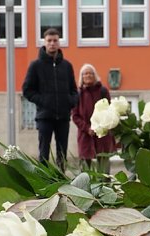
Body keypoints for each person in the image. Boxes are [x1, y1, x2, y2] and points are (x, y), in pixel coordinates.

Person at [22, 27, 78, 170]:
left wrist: (70, 102)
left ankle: (62, 181)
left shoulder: (66, 66)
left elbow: (74, 90)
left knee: (62, 153)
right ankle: (44, 182)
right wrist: (44, 101)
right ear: (45, 42)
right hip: (44, 117)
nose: (52, 43)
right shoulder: (36, 66)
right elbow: (27, 90)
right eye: (49, 40)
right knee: (44, 153)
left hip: (63, 117)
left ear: (59, 43)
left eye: (55, 40)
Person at [71, 64, 115, 172]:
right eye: (85, 73)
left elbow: (109, 111)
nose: (88, 75)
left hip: (102, 134)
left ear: (95, 75)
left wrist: (101, 127)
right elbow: (75, 116)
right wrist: (87, 128)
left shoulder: (103, 91)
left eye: (90, 73)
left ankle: (105, 186)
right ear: (82, 76)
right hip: (85, 135)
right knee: (86, 168)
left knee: (104, 165)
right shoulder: (78, 94)